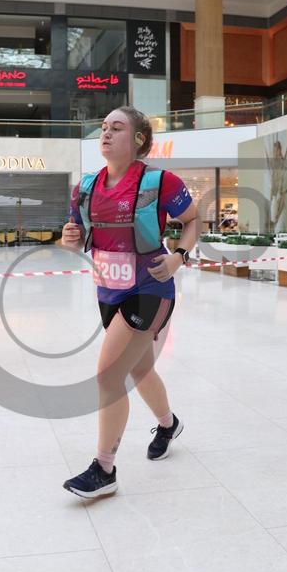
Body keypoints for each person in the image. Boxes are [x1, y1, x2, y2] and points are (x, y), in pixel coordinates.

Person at [61, 105, 199, 498]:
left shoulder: (161, 182)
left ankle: (104, 468)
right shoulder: (86, 187)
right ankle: (169, 424)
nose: (105, 133)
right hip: (108, 290)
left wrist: (178, 256)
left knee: (109, 375)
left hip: (151, 288)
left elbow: (192, 220)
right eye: (103, 127)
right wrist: (68, 239)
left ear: (139, 139)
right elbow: (73, 236)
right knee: (139, 370)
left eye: (116, 128)